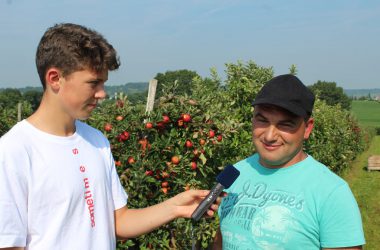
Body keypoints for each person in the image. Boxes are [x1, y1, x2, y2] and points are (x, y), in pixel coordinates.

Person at [0, 23, 220, 250]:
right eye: (93, 83)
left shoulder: (96, 141)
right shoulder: (14, 151)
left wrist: (175, 207)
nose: (102, 93)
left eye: (103, 82)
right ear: (55, 78)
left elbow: (118, 222)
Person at [213, 74, 365, 249]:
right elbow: (223, 239)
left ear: (307, 128)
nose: (269, 136)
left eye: (285, 125)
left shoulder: (331, 192)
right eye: (262, 120)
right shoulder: (235, 174)